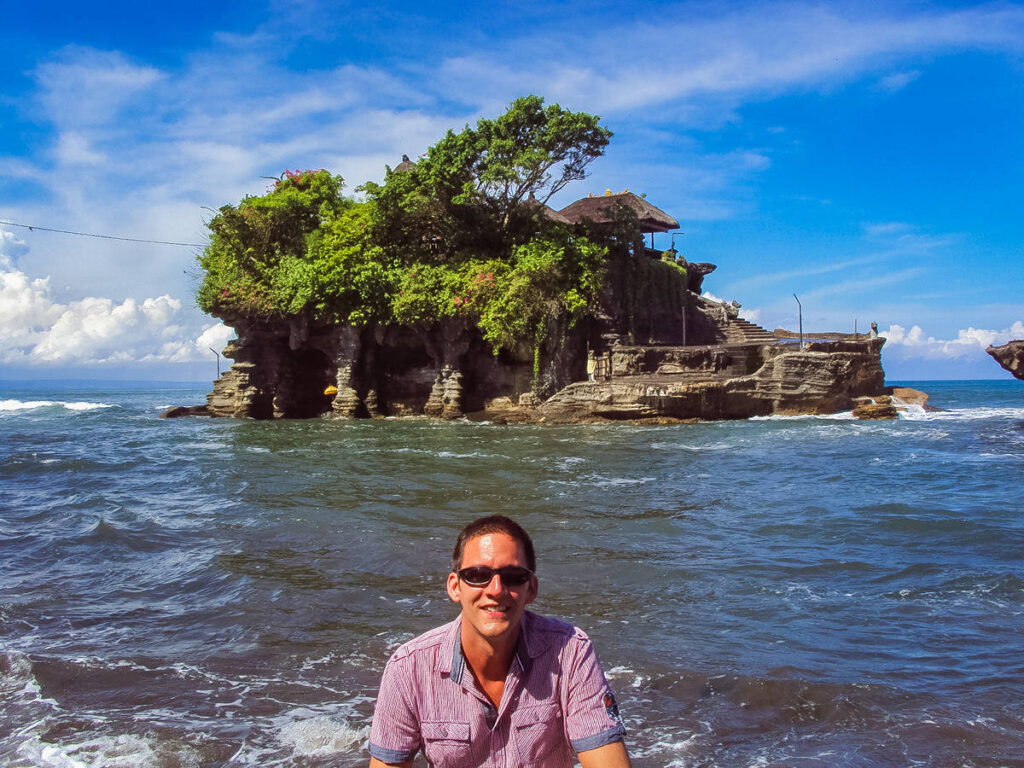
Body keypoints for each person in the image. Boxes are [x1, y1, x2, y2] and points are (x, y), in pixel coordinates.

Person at [368, 515, 631, 767]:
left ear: (532, 589)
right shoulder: (408, 668)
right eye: (478, 574)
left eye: (513, 577)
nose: (495, 589)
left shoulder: (571, 652)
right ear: (455, 586)